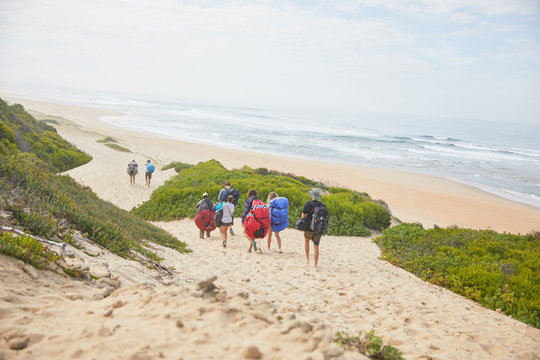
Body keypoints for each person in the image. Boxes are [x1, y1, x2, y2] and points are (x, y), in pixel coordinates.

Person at [301, 188, 328, 268]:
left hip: (309, 228)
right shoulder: (323, 205)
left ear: (312, 196)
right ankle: (315, 265)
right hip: (319, 228)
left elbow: (303, 216)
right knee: (316, 246)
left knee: (306, 241)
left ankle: (307, 259)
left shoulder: (308, 204)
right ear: (318, 197)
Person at [242, 189, 270, 253]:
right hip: (259, 221)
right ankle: (250, 248)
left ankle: (252, 242)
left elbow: (246, 211)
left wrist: (243, 220)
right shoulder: (259, 201)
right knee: (253, 234)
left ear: (249, 194)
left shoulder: (249, 200)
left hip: (251, 220)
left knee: (245, 232)